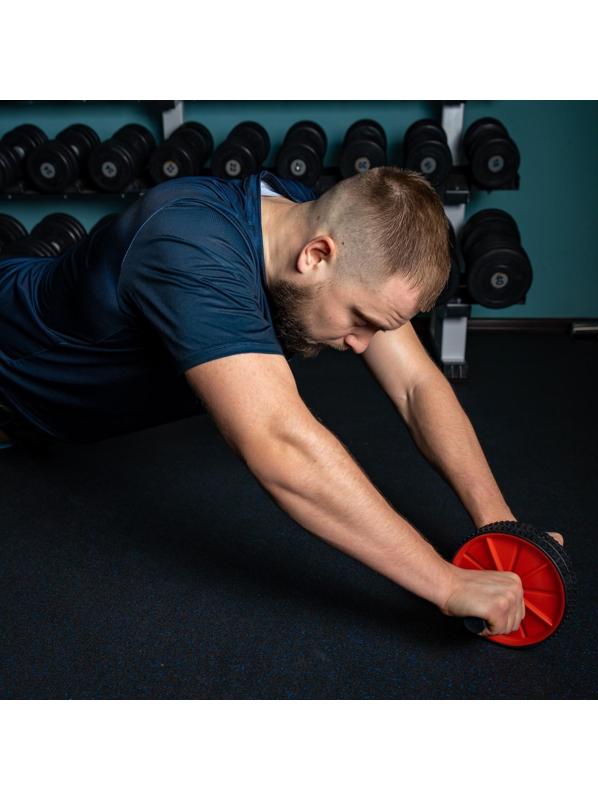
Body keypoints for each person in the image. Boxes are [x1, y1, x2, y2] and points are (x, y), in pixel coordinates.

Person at [0, 165, 562, 636]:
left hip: (52, 413)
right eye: (361, 321)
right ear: (317, 254)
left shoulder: (309, 225)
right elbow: (280, 446)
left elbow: (417, 386)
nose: (363, 345)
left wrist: (502, 531)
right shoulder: (188, 246)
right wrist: (447, 584)